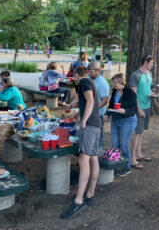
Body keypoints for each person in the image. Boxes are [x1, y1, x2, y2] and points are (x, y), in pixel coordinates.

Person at [61, 66, 102, 220]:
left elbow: (90, 100)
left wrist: (83, 120)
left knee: (83, 160)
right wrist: (74, 108)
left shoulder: (84, 82)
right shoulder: (89, 82)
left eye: (73, 77)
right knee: (93, 158)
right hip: (96, 124)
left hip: (90, 125)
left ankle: (79, 200)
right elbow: (84, 99)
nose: (73, 79)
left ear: (77, 75)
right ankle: (90, 194)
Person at [106, 73, 138, 177]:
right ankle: (116, 166)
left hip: (127, 120)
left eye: (115, 83)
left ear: (121, 82)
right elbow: (111, 105)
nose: (114, 85)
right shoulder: (115, 91)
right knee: (115, 145)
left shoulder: (130, 93)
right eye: (113, 83)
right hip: (115, 119)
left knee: (123, 145)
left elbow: (133, 110)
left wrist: (124, 111)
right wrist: (107, 114)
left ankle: (126, 167)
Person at [129, 55, 154, 169]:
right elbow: (133, 95)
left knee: (141, 132)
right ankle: (132, 158)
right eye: (151, 63)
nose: (152, 65)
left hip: (147, 106)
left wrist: (152, 93)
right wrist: (139, 109)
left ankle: (139, 154)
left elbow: (150, 88)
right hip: (139, 108)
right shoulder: (136, 75)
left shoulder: (149, 74)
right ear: (145, 62)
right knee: (137, 133)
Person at [87, 61, 110, 148]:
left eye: (91, 71)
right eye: (88, 71)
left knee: (98, 136)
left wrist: (93, 109)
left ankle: (99, 155)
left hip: (98, 114)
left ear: (98, 70)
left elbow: (105, 100)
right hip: (89, 112)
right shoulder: (89, 78)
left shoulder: (102, 83)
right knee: (89, 135)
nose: (89, 73)